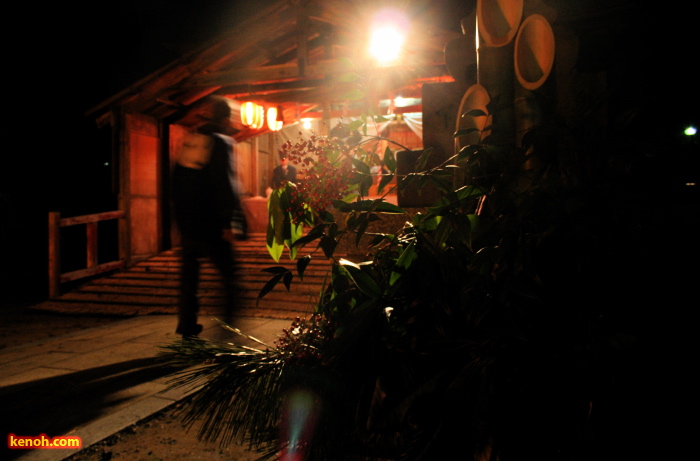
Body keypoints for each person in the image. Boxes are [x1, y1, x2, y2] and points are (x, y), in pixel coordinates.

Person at [171, 96, 247, 338]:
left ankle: (187, 326)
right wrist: (229, 222)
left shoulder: (193, 140)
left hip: (188, 222)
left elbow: (175, 181)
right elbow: (225, 183)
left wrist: (179, 220)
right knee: (231, 278)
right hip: (211, 223)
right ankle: (227, 334)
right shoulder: (222, 142)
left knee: (189, 278)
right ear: (226, 118)